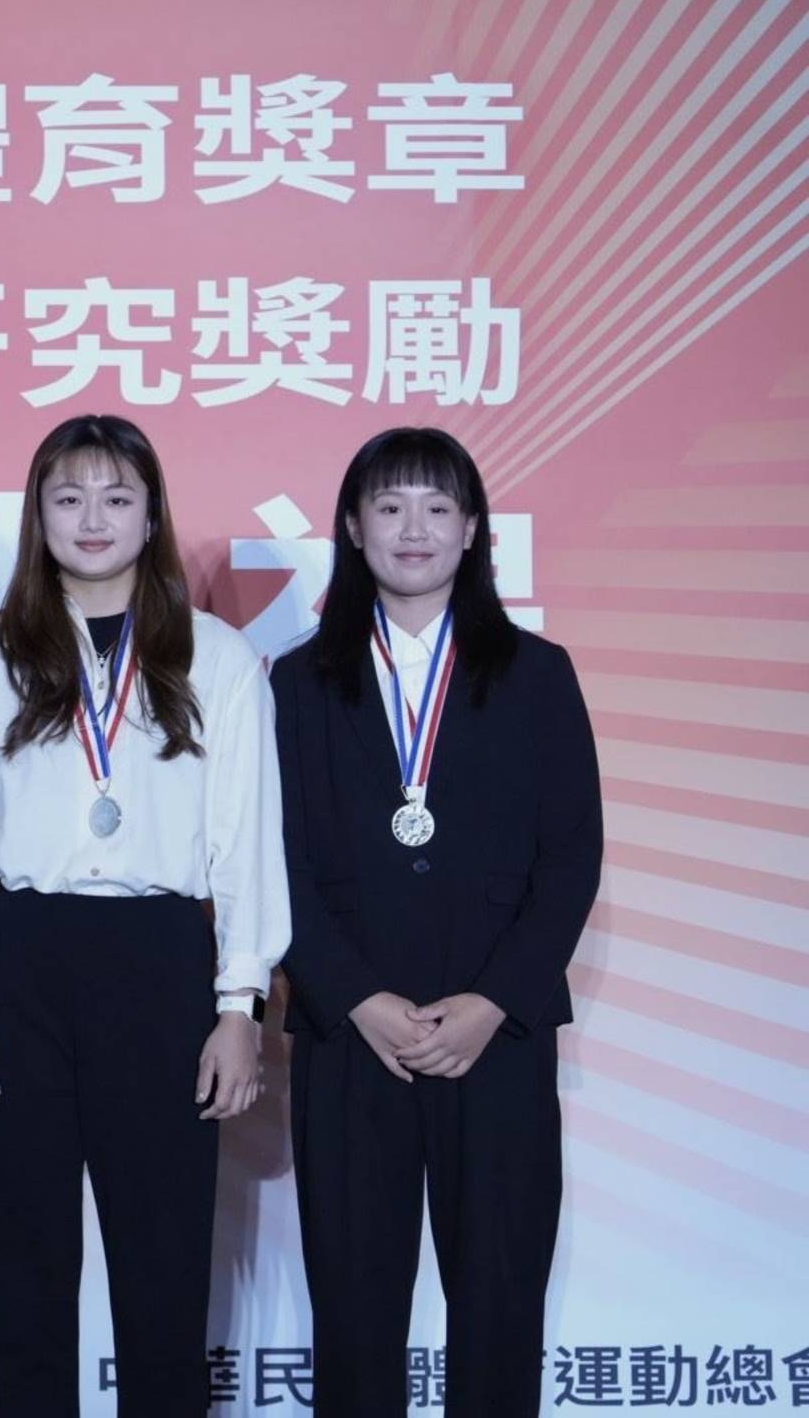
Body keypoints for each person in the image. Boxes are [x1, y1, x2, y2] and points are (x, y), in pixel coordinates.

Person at [0, 415, 287, 1415]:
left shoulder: (217, 658)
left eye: (117, 497)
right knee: (23, 1266)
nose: (93, 518)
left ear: (151, 515)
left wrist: (238, 1006)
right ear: (36, 514)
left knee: (163, 1266)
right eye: (68, 496)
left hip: (159, 964)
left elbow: (246, 846)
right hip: (19, 964)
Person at [272, 426, 602, 1416]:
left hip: (494, 1039)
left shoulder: (536, 674)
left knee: (499, 1302)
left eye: (435, 506)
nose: (411, 528)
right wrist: (354, 996)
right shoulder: (297, 681)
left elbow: (570, 858)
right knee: (352, 1311)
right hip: (348, 1038)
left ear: (470, 529)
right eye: (388, 505)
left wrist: (494, 1000)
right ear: (350, 525)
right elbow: (270, 861)